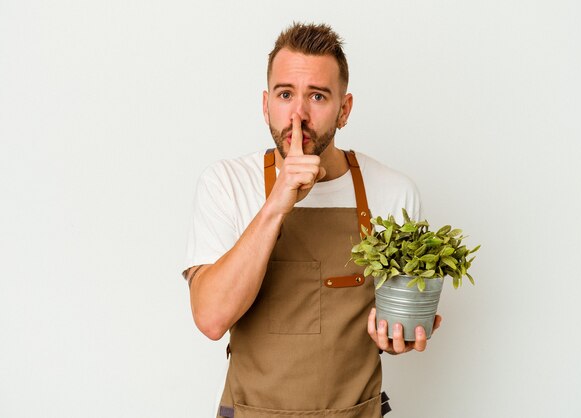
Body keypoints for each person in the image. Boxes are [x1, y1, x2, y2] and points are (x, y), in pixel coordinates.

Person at [182, 22, 442, 418]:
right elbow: (211, 319)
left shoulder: (393, 192)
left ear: (345, 109)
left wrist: (398, 336)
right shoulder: (227, 183)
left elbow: (399, 315)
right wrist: (276, 204)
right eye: (285, 94)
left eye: (317, 96)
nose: (298, 114)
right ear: (265, 104)